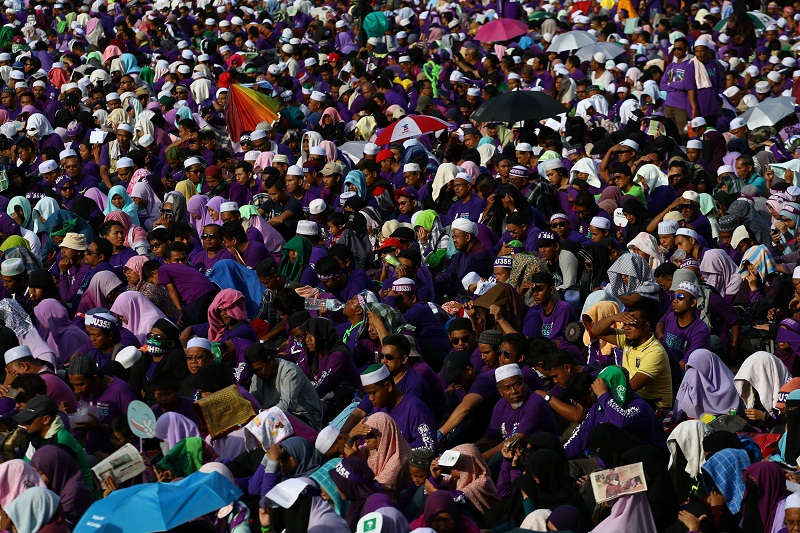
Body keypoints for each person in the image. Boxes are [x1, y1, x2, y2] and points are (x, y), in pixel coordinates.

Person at [592, 303, 674, 408]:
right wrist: (613, 318)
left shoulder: (655, 352)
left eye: (632, 323)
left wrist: (603, 394)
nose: (627, 328)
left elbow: (632, 386)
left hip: (654, 404)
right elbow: (596, 331)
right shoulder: (628, 338)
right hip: (633, 396)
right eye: (625, 323)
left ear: (646, 326)